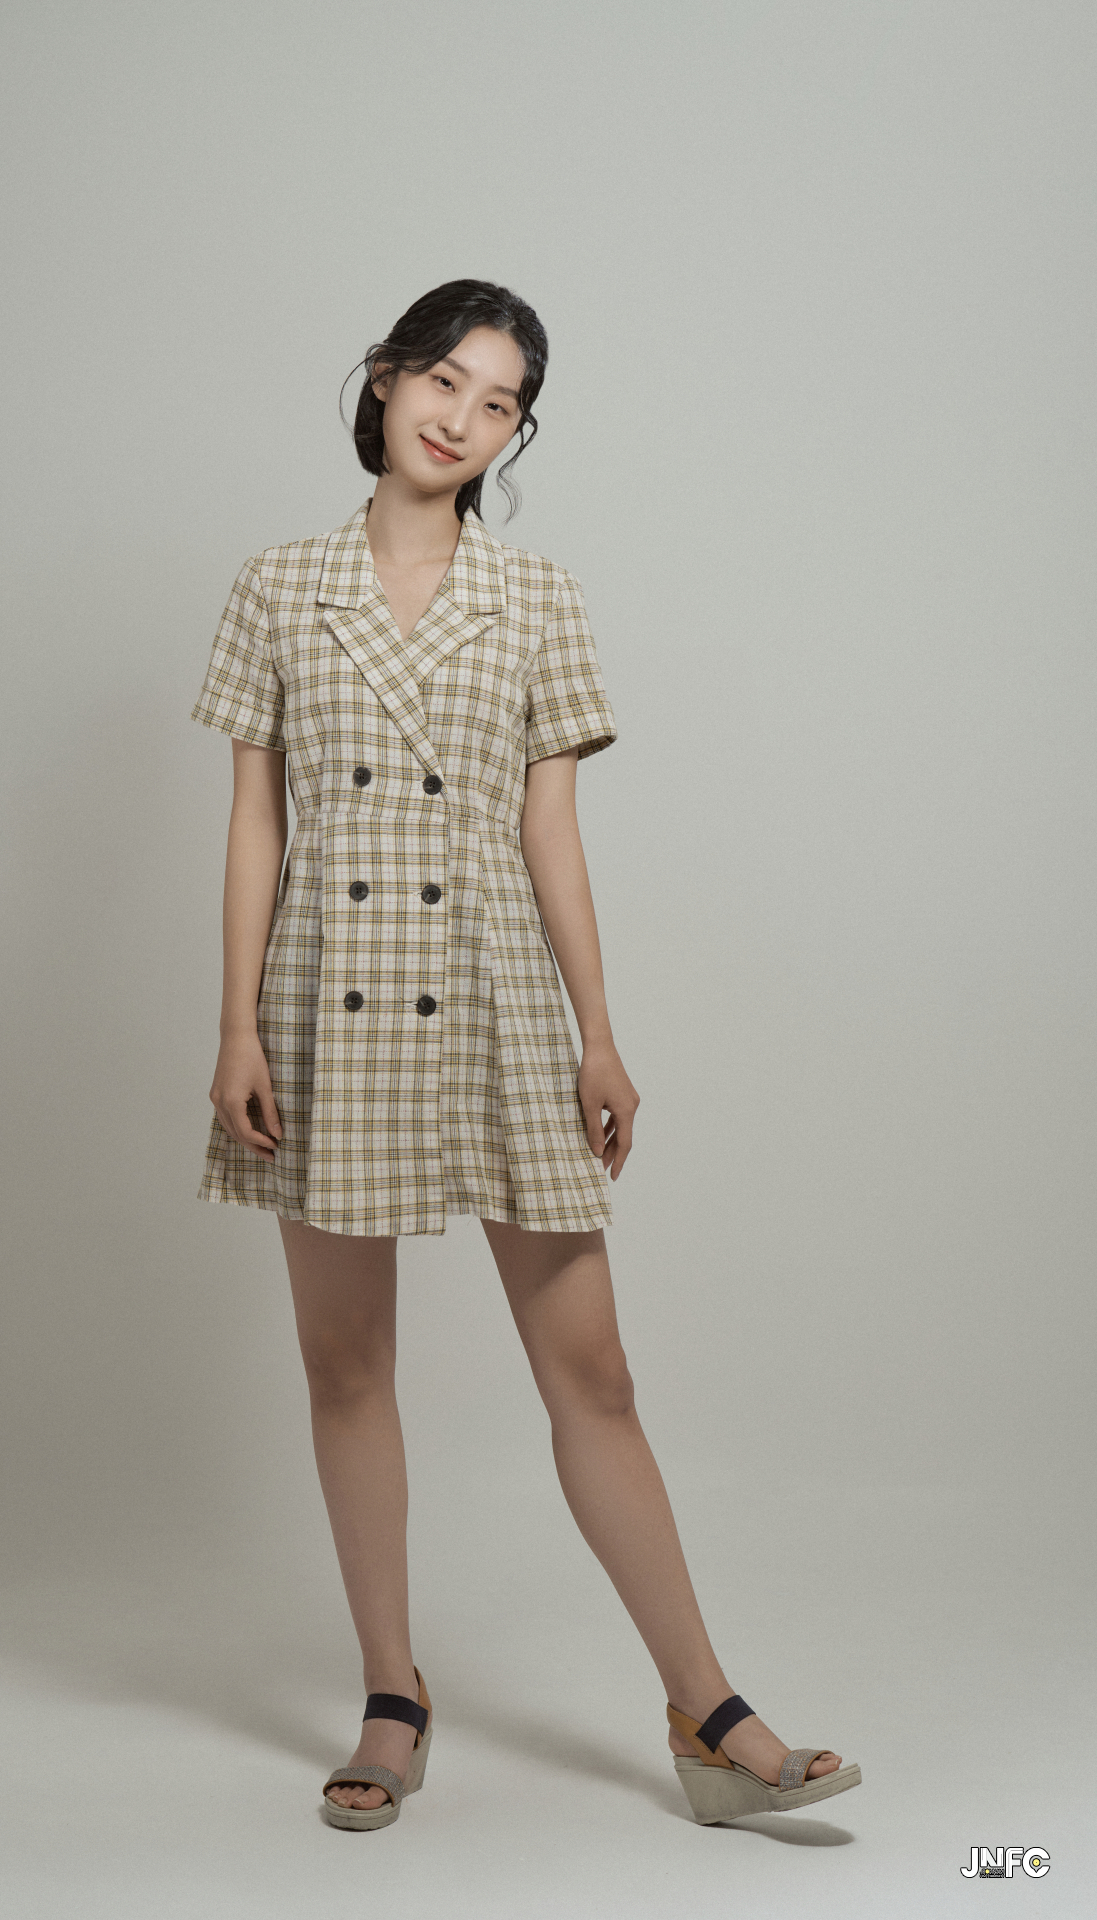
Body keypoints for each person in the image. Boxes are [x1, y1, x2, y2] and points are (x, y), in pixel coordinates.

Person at [191, 279, 861, 1830]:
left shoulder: (538, 595)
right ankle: (391, 1693)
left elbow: (551, 829)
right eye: (444, 378)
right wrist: (233, 1024)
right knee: (345, 1363)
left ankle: (708, 1710)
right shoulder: (277, 583)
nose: (462, 417)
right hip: (325, 994)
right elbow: (255, 821)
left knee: (594, 1371)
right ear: (383, 378)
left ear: (513, 433)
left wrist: (598, 1029)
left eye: (499, 403)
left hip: (492, 990)